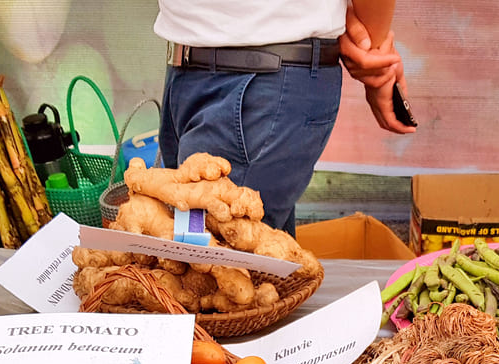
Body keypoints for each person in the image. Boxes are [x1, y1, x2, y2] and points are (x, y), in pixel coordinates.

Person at [153, 0, 415, 234]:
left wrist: (373, 50)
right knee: (222, 256)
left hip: (261, 78)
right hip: (188, 68)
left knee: (211, 260)